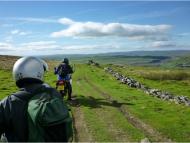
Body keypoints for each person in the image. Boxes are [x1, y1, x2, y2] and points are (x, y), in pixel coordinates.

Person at [0, 56, 72, 142]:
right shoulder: (53, 93)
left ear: (16, 73)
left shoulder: (7, 103)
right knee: (69, 88)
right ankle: (70, 96)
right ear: (39, 72)